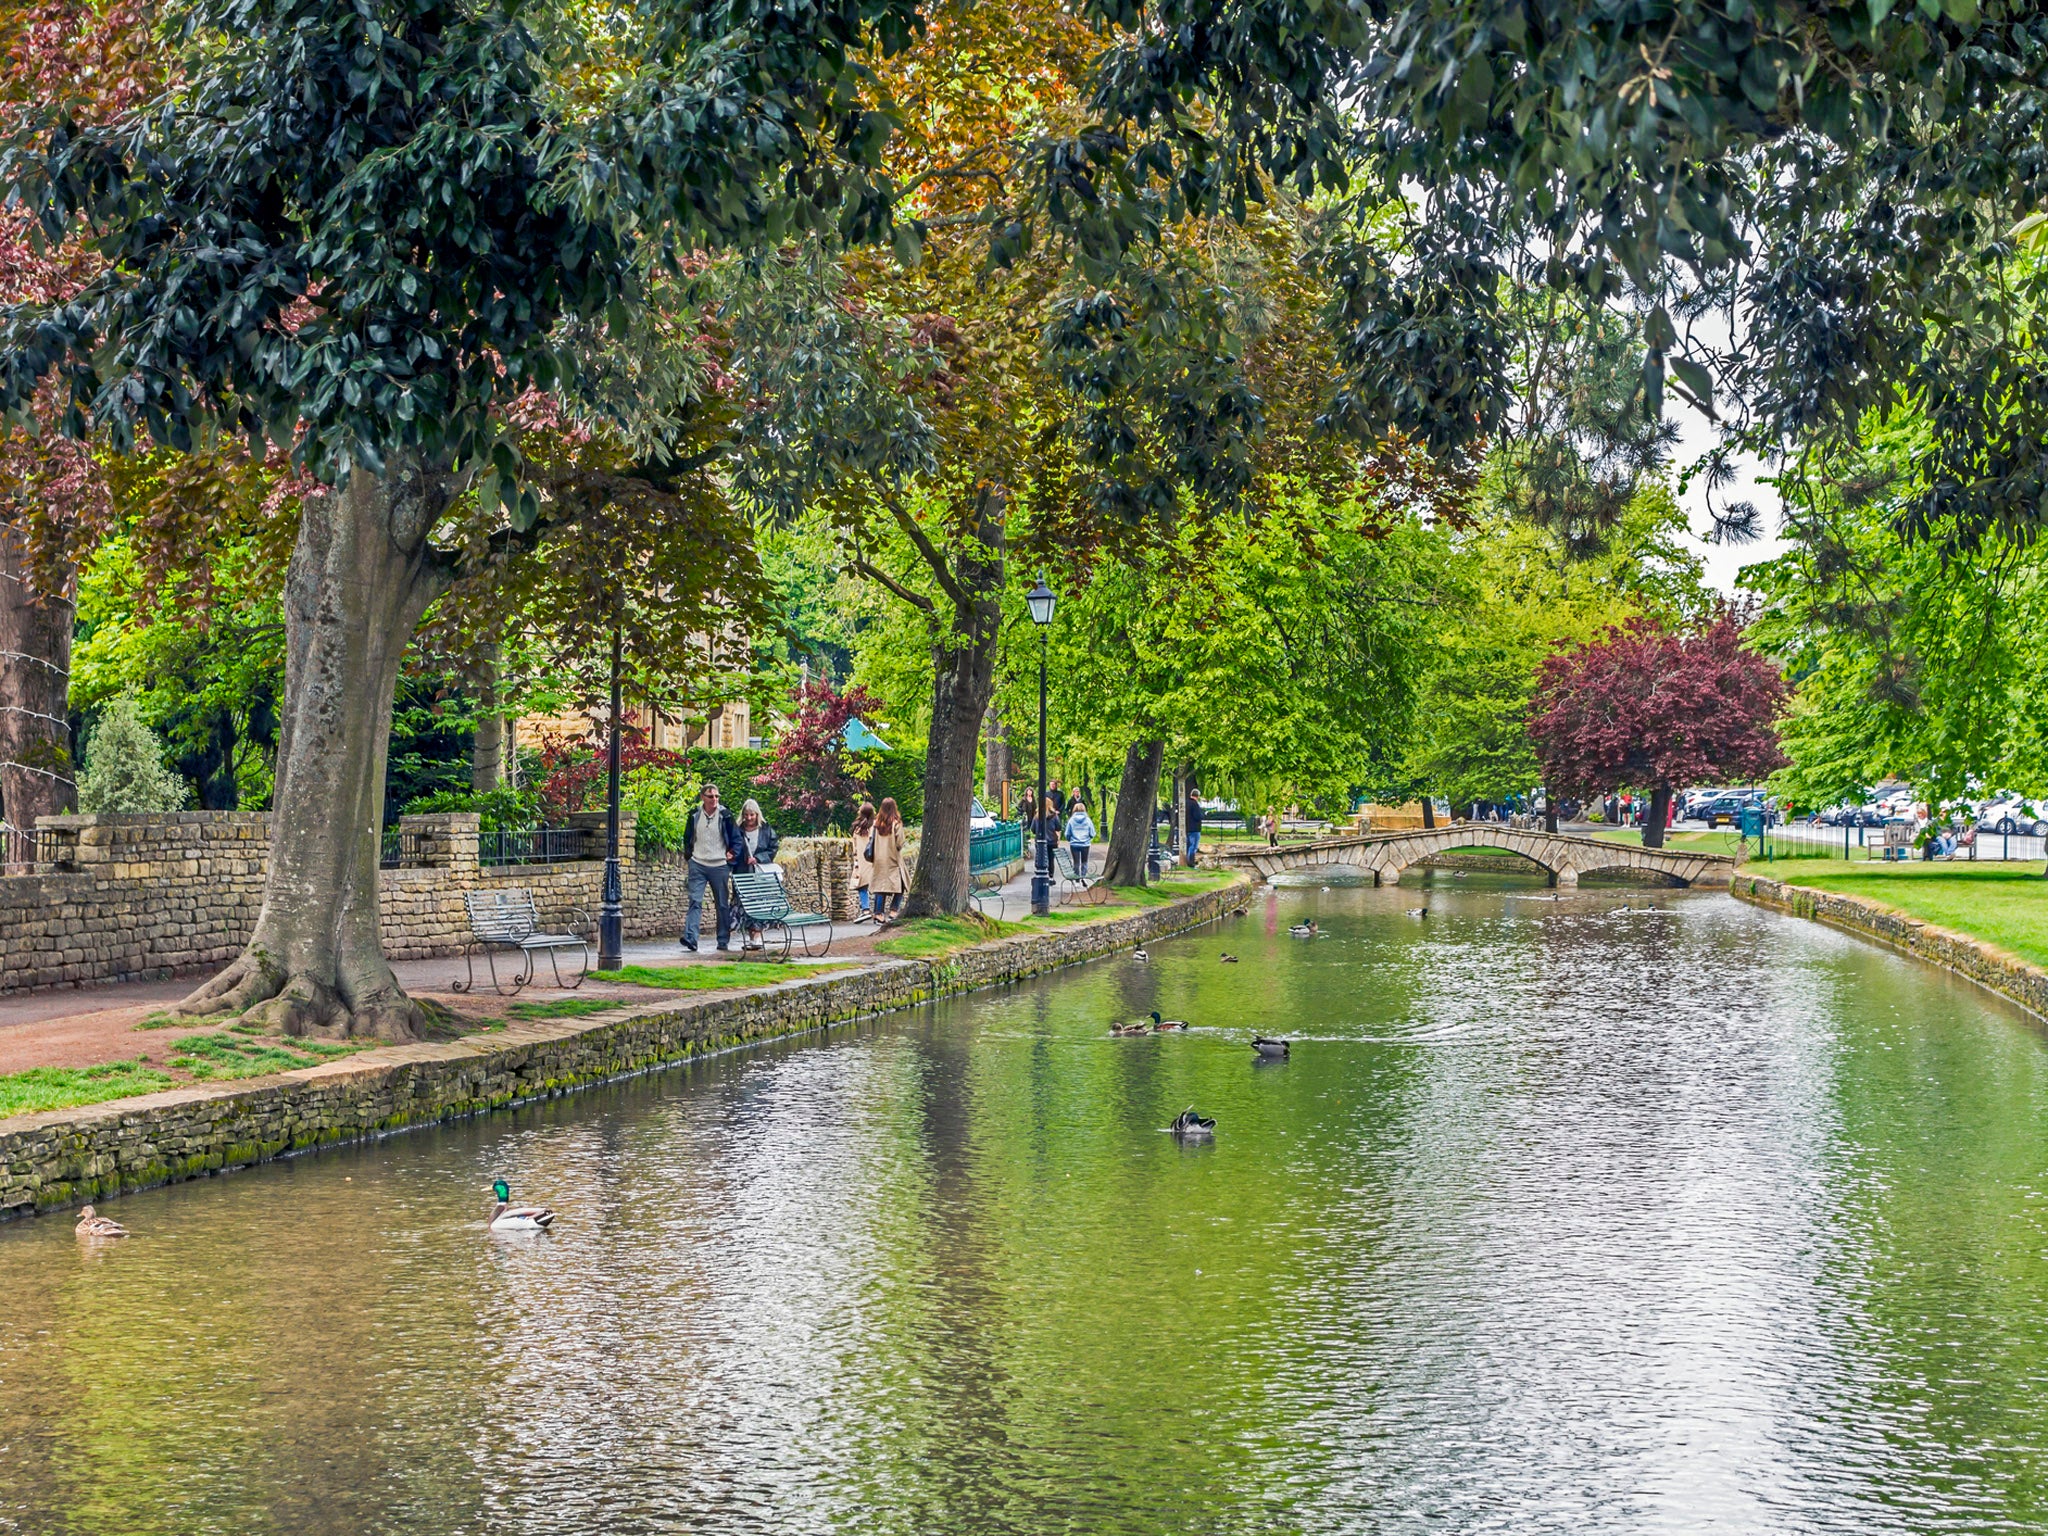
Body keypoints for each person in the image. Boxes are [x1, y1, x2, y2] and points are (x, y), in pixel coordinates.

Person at [681, 782, 741, 952]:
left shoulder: (726, 815)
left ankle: (723, 940)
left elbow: (737, 839)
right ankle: (691, 938)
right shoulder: (694, 815)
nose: (714, 799)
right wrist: (689, 855)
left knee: (722, 904)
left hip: (719, 865)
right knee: (695, 901)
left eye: (716, 796)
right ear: (703, 798)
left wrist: (732, 853)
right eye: (710, 796)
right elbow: (688, 837)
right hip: (698, 863)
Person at [732, 799, 781, 950]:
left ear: (757, 814)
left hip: (760, 873)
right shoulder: (738, 829)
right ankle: (751, 937)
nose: (749, 818)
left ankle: (757, 937)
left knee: (759, 904)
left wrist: (758, 858)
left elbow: (773, 848)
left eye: (752, 815)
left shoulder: (766, 829)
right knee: (744, 904)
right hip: (742, 872)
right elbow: (732, 847)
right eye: (746, 815)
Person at [868, 797, 909, 919]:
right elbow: (900, 843)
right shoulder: (896, 823)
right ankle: (893, 909)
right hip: (893, 859)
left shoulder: (875, 824)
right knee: (901, 885)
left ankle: (878, 913)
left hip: (879, 860)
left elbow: (871, 840)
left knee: (880, 887)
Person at [850, 802, 877, 921]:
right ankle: (878, 911)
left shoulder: (857, 829)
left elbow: (854, 847)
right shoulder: (876, 827)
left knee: (862, 887)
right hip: (875, 860)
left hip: (862, 861)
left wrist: (856, 860)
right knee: (878, 887)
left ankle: (865, 910)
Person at [1066, 794, 1096, 877]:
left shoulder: (1071, 820)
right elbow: (1092, 833)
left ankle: (1076, 878)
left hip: (1074, 843)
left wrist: (1070, 839)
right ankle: (1083, 876)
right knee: (1084, 861)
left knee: (1076, 862)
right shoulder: (1088, 820)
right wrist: (1088, 838)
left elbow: (1067, 833)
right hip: (1085, 844)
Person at [1184, 789, 1204, 867]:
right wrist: (1202, 815)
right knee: (1193, 846)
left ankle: (1188, 861)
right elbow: (1197, 816)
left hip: (1188, 828)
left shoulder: (1186, 802)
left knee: (1189, 845)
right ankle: (1190, 863)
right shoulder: (1194, 804)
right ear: (1197, 796)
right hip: (1195, 828)